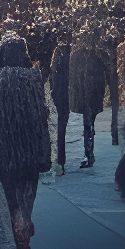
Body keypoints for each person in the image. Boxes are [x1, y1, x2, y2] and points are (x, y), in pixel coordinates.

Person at [0, 36, 51, 249]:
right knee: (28, 195)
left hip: (6, 147)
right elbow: (41, 114)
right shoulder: (34, 77)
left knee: (11, 199)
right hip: (30, 147)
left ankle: (19, 236)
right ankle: (24, 229)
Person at [69, 25, 106, 168]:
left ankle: (89, 154)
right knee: (89, 124)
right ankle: (89, 154)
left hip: (89, 96)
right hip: (89, 95)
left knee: (88, 124)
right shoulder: (93, 56)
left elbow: (73, 80)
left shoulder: (89, 56)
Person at [49, 29, 72, 175]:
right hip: (67, 95)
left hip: (59, 95)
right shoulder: (70, 55)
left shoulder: (57, 55)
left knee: (59, 128)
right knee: (61, 127)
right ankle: (60, 161)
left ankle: (60, 161)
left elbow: (53, 78)